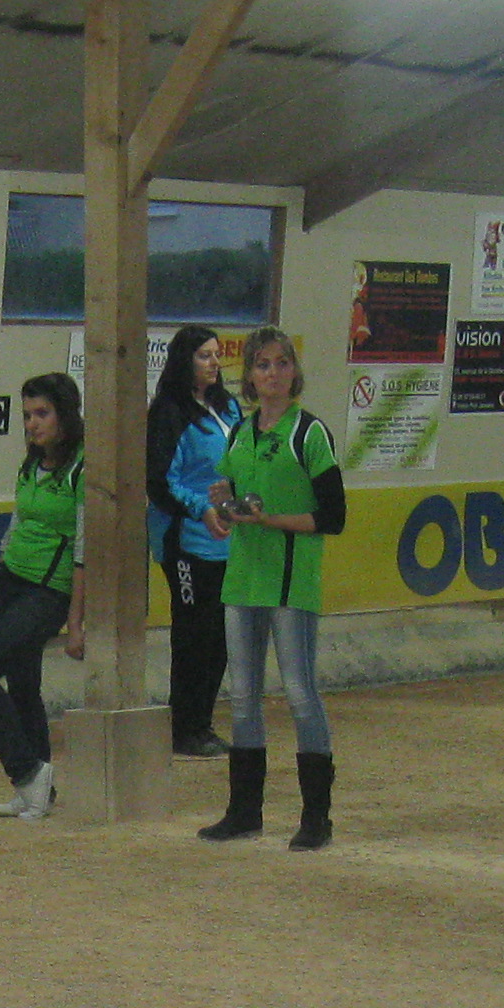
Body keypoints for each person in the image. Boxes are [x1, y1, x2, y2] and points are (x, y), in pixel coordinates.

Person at [197, 327, 345, 851]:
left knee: (300, 694)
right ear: (251, 376)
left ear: (293, 372)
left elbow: (333, 516)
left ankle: (316, 818)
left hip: (289, 582)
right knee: (242, 698)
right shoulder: (240, 433)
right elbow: (231, 500)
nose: (273, 373)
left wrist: (269, 520)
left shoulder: (310, 434)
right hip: (243, 578)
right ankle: (244, 812)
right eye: (262, 364)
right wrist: (223, 506)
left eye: (282, 363)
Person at [0, 372, 84, 822]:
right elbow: (14, 530)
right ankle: (40, 793)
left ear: (65, 415)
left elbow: (85, 548)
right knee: (23, 686)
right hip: (13, 582)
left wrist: (75, 620)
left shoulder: (81, 470)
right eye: (27, 415)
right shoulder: (31, 466)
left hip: (48, 592)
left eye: (42, 413)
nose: (32, 424)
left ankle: (27, 771)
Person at [145, 325, 238, 757]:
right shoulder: (168, 412)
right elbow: (161, 481)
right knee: (193, 631)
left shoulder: (228, 406)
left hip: (228, 539)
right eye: (204, 355)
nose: (214, 363)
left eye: (217, 354)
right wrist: (201, 507)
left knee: (220, 632)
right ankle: (183, 727)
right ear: (185, 361)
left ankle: (202, 722)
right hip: (186, 538)